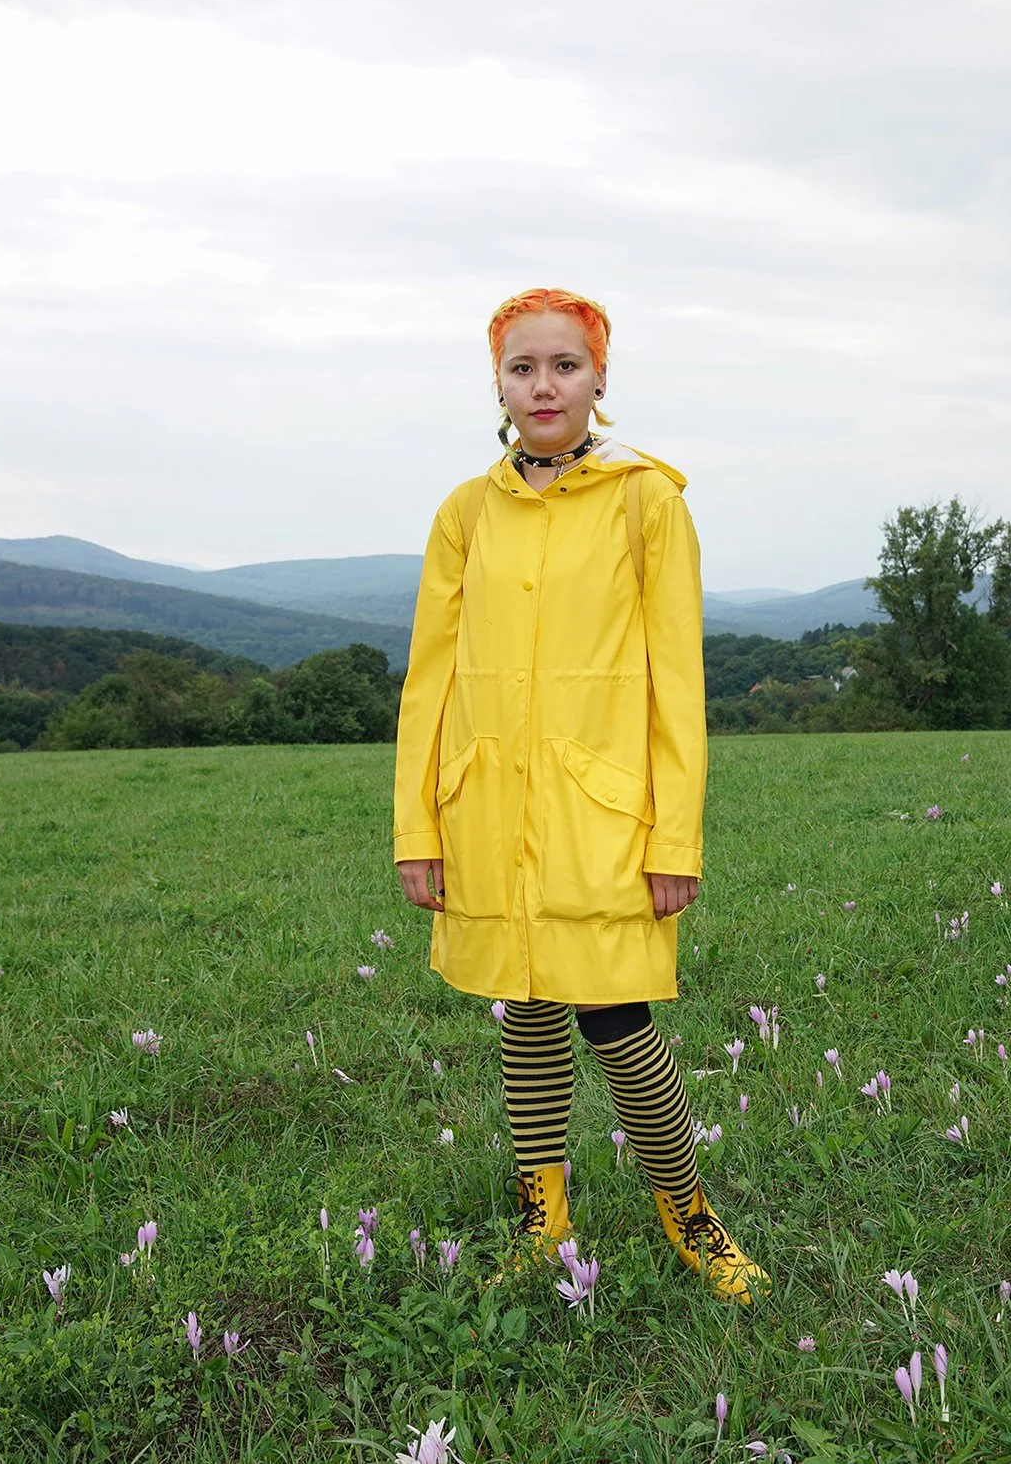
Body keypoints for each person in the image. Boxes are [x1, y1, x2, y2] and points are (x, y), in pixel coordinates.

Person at [393, 287, 768, 1303]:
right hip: (485, 809)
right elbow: (429, 679)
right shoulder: (465, 512)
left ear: (599, 380)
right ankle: (541, 1207)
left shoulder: (648, 499)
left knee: (614, 1010)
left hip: (602, 812)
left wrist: (673, 837)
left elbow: (674, 678)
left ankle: (688, 1209)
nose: (542, 384)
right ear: (498, 384)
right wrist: (418, 825)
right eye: (523, 367)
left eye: (564, 364)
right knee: (524, 1001)